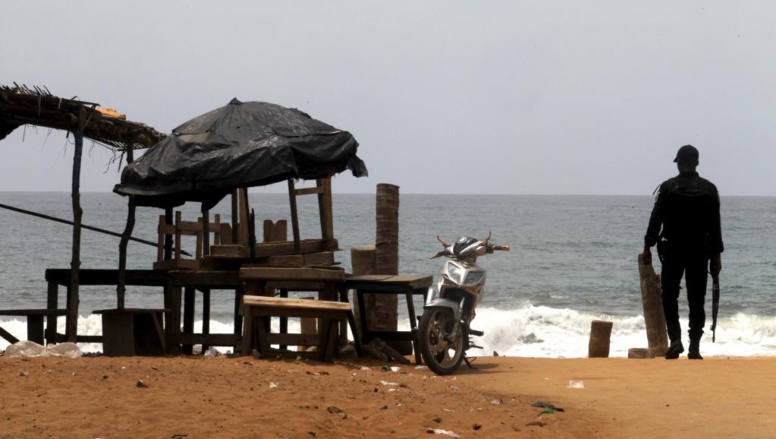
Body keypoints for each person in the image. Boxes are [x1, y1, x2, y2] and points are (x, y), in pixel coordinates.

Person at [642, 144, 723, 360]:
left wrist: (647, 246)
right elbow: (715, 227)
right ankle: (694, 347)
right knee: (697, 298)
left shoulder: (668, 188)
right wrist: (716, 257)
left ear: (679, 163)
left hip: (673, 249)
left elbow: (655, 219)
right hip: (700, 251)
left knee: (669, 296)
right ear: (696, 163)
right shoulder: (709, 189)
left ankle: (675, 340)